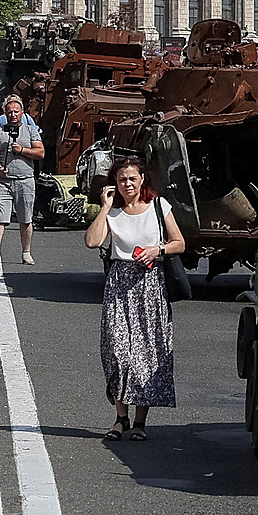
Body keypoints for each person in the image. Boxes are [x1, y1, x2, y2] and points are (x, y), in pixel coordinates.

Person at [85, 158, 181, 442]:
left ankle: (139, 422)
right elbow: (92, 241)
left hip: (150, 285)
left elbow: (179, 242)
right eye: (121, 179)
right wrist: (104, 208)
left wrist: (157, 250)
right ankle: (120, 418)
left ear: (142, 181)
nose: (127, 184)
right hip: (119, 284)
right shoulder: (112, 213)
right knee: (117, 352)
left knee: (145, 356)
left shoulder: (159, 206)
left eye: (132, 179)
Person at [0, 94, 44, 266]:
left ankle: (26, 252)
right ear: (4, 113)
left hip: (25, 181)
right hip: (4, 182)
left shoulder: (31, 131)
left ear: (22, 113)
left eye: (16, 112)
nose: (13, 115)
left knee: (25, 219)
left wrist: (22, 150)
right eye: (9, 112)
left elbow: (40, 153)